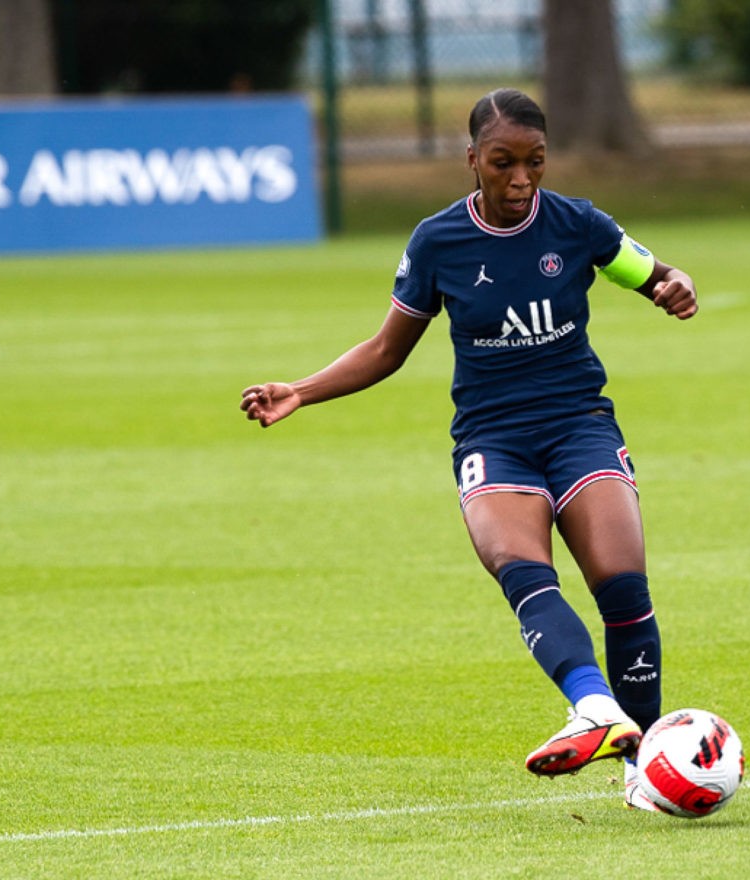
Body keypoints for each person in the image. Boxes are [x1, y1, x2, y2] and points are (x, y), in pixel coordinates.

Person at [240, 88, 697, 811]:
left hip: (580, 426)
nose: (520, 180)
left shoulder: (579, 223)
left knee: (621, 582)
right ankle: (595, 707)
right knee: (520, 567)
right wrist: (302, 389)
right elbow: (388, 349)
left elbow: (656, 273)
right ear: (472, 160)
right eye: (502, 162)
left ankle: (641, 762)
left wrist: (675, 286)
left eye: (535, 163)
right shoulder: (438, 241)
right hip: (494, 439)